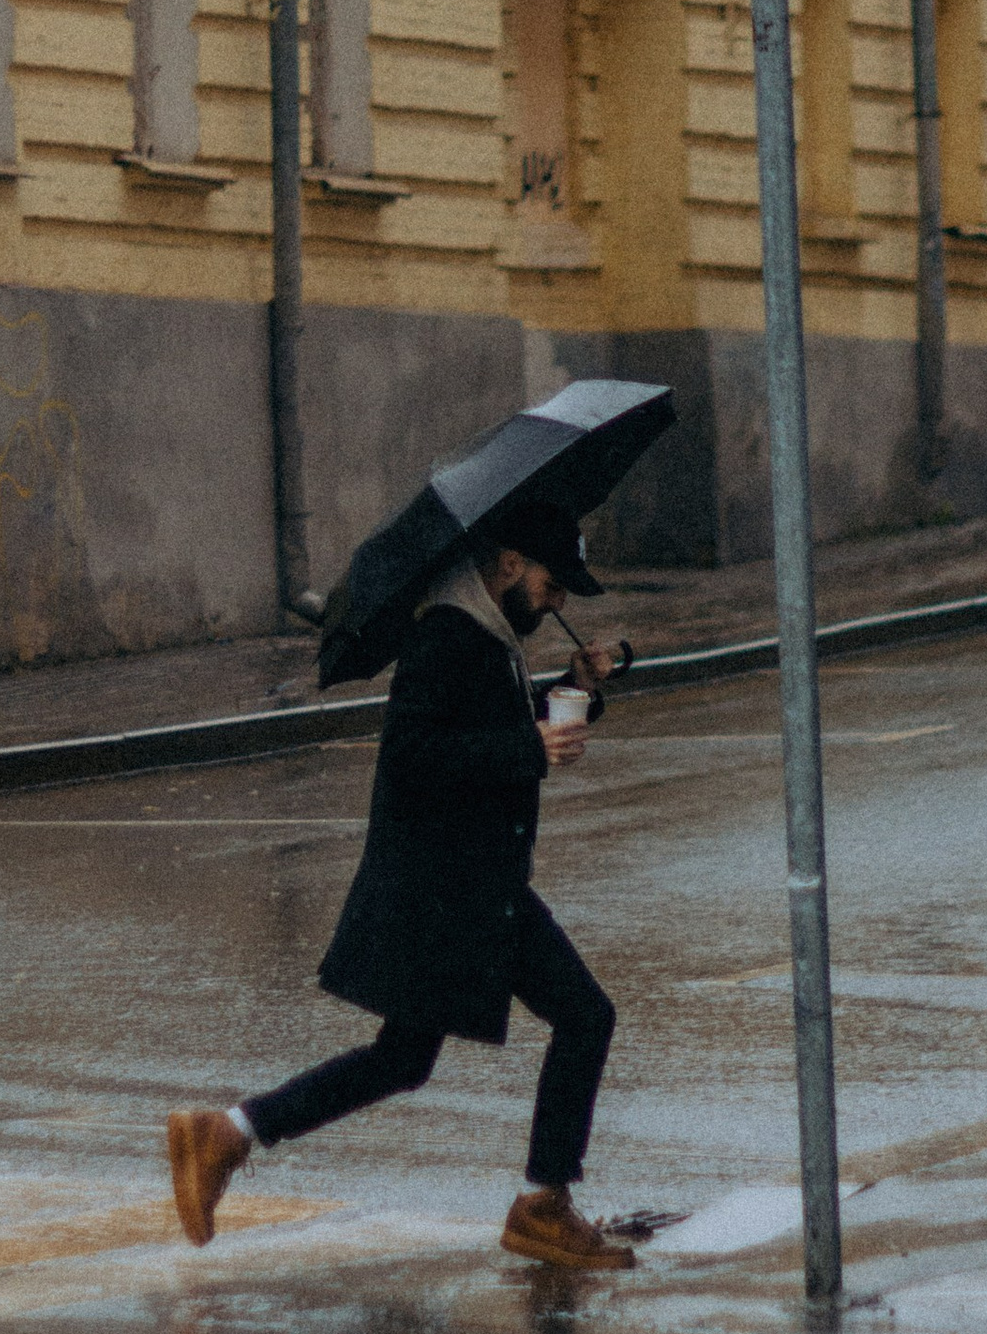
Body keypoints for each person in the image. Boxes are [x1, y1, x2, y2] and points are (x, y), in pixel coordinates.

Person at [165, 503, 636, 1271]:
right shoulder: (449, 635)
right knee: (583, 1017)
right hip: (453, 888)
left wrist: (573, 688)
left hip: (470, 881)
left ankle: (229, 1133)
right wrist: (528, 744)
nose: (559, 605)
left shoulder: (487, 633)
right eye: (553, 585)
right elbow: (418, 753)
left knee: (405, 1059)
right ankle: (543, 1205)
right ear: (510, 563)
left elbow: (486, 728)